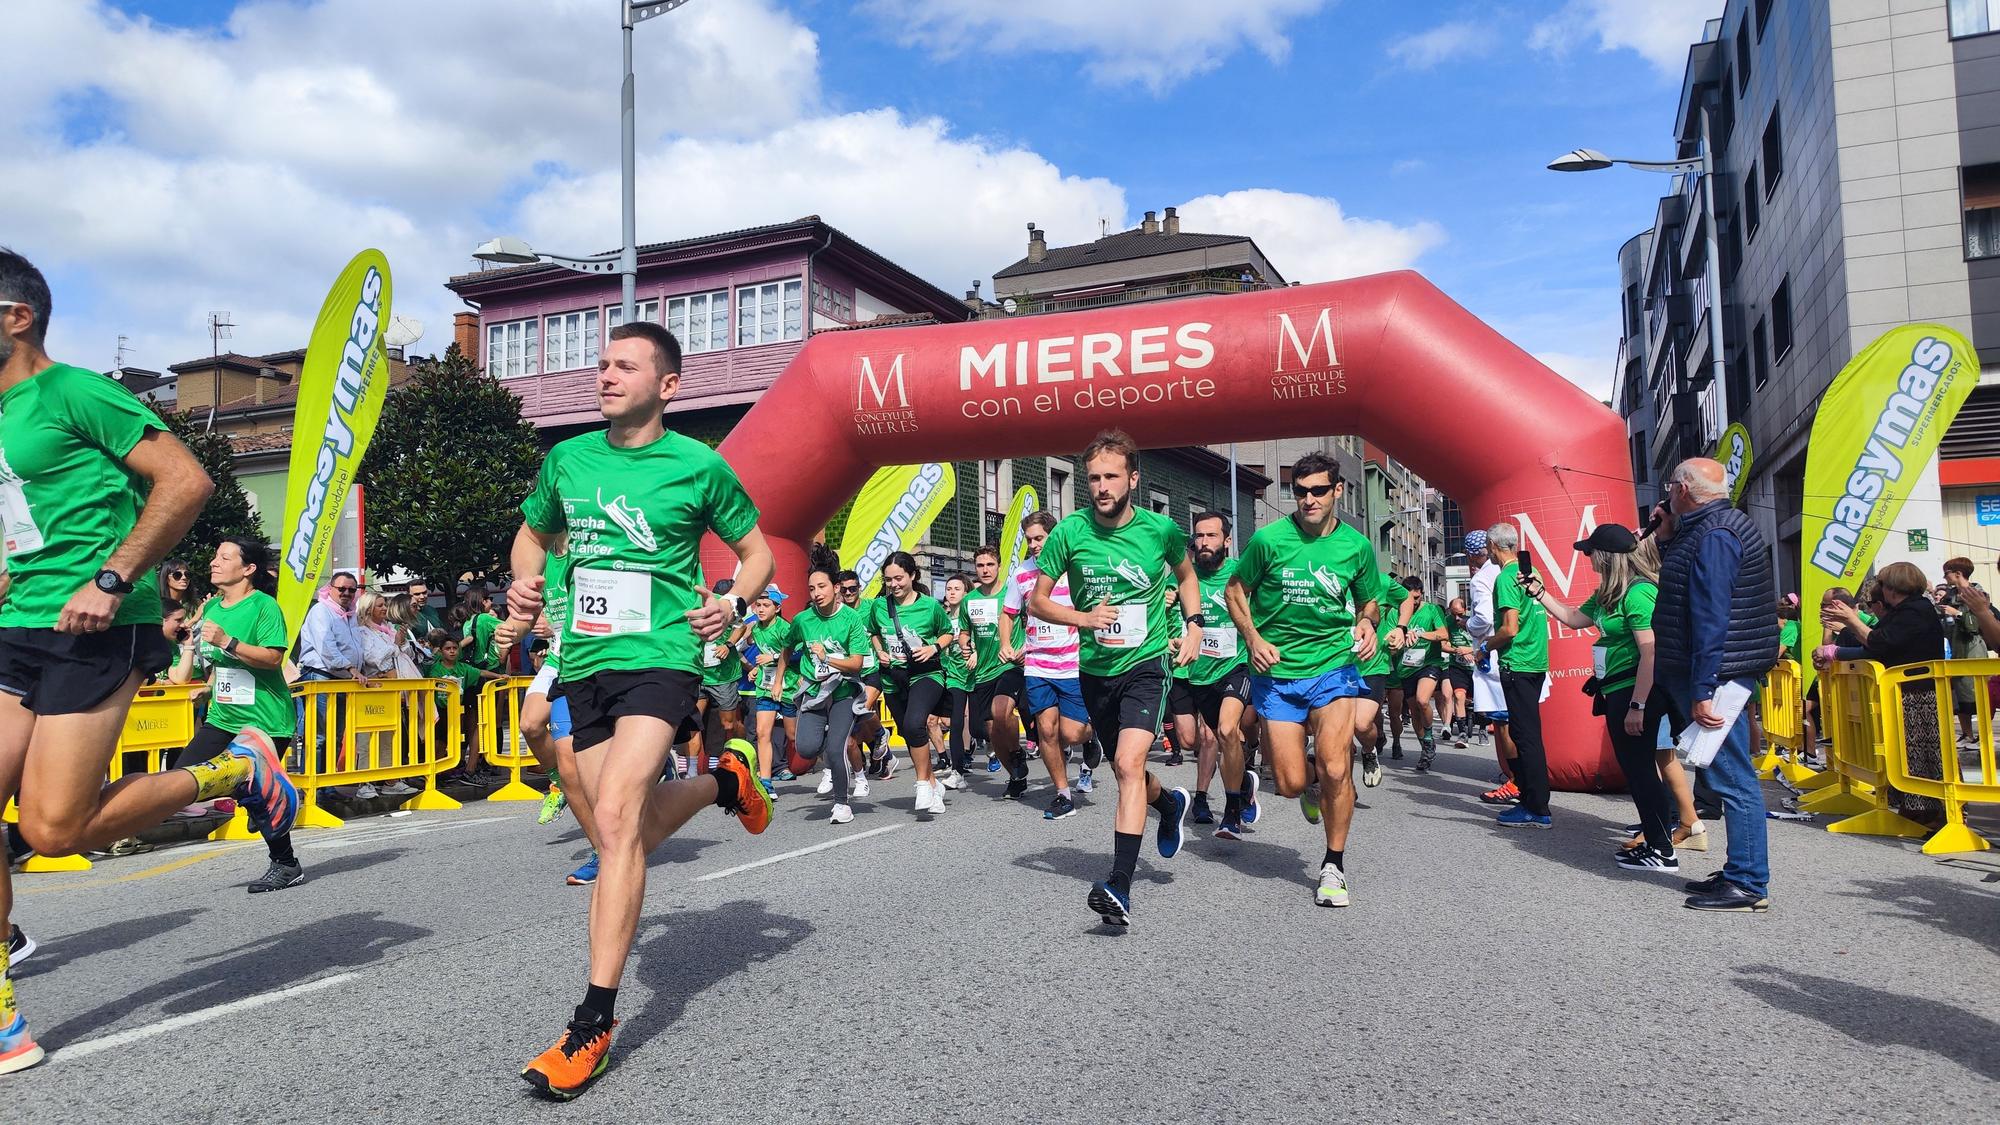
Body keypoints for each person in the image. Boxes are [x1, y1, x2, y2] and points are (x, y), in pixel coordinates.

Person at [0, 247, 295, 1074]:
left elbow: (186, 480)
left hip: (99, 624)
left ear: (16, 316)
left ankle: (237, 771)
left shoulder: (74, 391)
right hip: (19, 623)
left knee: (51, 827)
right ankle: (4, 1019)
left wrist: (113, 575)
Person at [508, 320, 775, 1098]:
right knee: (617, 822)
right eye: (601, 364)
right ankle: (728, 783)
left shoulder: (699, 466)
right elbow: (532, 538)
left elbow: (756, 553)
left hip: (661, 657)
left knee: (620, 818)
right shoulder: (568, 459)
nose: (605, 375)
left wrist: (732, 601)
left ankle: (591, 1022)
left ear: (668, 385)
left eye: (624, 365)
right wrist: (527, 581)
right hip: (584, 663)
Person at [1031, 431, 1201, 925]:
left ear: (1133, 478)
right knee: (1125, 772)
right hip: (1095, 670)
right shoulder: (1069, 533)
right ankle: (1168, 804)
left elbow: (1186, 577)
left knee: (1128, 762)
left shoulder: (1161, 531)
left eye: (1111, 476)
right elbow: (1037, 601)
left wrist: (1193, 626)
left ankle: (1119, 886)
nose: (1102, 486)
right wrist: (1083, 618)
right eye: (1093, 478)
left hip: (1147, 664)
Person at [1227, 452, 1381, 908]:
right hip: (1278, 673)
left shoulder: (1356, 546)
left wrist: (1368, 622)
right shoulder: (1269, 540)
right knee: (1292, 782)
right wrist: (1253, 638)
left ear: (1337, 491)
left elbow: (1369, 600)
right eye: (1300, 491)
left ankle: (1334, 865)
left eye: (1318, 490)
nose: (1309, 499)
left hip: (1334, 666)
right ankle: (1310, 786)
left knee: (1338, 765)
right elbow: (1236, 591)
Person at [1526, 525, 1700, 871]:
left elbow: (1650, 652)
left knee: (1642, 771)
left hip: (1636, 691)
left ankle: (1662, 849)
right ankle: (1655, 840)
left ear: (1605, 556)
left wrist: (1638, 704)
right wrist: (1539, 593)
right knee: (1638, 771)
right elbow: (1574, 618)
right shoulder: (1609, 594)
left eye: (1590, 552)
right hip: (1617, 689)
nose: (1587, 558)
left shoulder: (1637, 593)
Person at [1654, 457, 1778, 912]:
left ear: (1684, 489)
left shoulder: (1716, 534)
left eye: (1670, 486)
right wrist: (1667, 538)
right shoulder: (1709, 529)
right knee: (1727, 774)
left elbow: (1710, 617)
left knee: (1732, 778)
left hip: (1716, 674)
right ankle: (1740, 871)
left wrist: (1703, 688)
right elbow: (1690, 591)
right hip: (1714, 670)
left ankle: (1747, 882)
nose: (1666, 494)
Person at [166, 537, 308, 892]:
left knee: (258, 794)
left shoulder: (263, 607)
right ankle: (259, 795)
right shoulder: (213, 608)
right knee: (183, 778)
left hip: (265, 721)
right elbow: (220, 666)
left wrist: (228, 642)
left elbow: (273, 658)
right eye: (215, 555)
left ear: (248, 569)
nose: (214, 562)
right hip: (224, 717)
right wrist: (210, 687)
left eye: (224, 557)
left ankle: (285, 863)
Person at [1817, 561, 1949, 830]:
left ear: (1893, 587)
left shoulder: (1916, 611)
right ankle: (1916, 807)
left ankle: (1936, 810)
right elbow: (1875, 643)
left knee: (1924, 751)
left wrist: (1851, 621)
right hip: (1904, 690)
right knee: (1909, 752)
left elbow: (1879, 643)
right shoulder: (1904, 611)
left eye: (1884, 585)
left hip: (1919, 692)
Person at [1003, 512, 1097, 820]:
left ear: (1053, 537)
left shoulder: (1074, 569)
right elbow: (1008, 613)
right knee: (1046, 729)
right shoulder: (1022, 574)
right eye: (1029, 539)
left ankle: (1091, 736)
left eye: (1039, 538)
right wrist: (1006, 643)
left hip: (1073, 664)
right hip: (1038, 664)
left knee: (1072, 733)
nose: (1033, 545)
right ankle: (1063, 794)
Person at [1167, 512, 1257, 837]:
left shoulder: (1242, 574)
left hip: (1236, 665)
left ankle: (1232, 812)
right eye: (1199, 536)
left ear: (1227, 541)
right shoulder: (1184, 577)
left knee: (1226, 729)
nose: (1203, 542)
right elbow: (1159, 613)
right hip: (1196, 672)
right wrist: (1167, 619)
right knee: (1196, 740)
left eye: (1212, 536)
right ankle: (1244, 782)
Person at [870, 551, 958, 815]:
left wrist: (933, 648)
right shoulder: (879, 606)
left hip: (925, 674)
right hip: (894, 678)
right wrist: (879, 651)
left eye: (899, 578)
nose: (894, 584)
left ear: (912, 576)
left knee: (913, 723)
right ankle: (933, 785)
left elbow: (948, 633)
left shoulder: (930, 606)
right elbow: (874, 631)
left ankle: (921, 784)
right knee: (910, 733)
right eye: (888, 580)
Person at [792, 547, 871, 824]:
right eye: (812, 588)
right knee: (805, 749)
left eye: (822, 586)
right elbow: (788, 648)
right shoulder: (803, 619)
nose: (816, 593)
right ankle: (831, 741)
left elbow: (857, 664)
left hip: (843, 693)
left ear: (836, 587)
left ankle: (841, 804)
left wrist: (829, 659)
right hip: (814, 693)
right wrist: (781, 679)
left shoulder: (851, 619)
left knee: (836, 749)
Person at [1487, 522, 1553, 829]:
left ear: (1494, 546)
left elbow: (1509, 628)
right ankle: (1534, 801)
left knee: (1525, 737)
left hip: (1518, 662)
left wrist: (1486, 645)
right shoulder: (1532, 572)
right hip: (1536, 661)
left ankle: (1535, 806)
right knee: (1528, 734)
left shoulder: (1505, 577)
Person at [965, 546, 1027, 793]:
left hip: (1010, 666)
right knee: (992, 732)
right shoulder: (970, 600)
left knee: (1002, 713)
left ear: (999, 565)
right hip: (983, 672)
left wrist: (1022, 648)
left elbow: (1029, 620)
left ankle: (1017, 753)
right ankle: (1016, 775)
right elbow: (963, 632)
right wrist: (965, 646)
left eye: (990, 564)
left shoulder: (1012, 593)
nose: (985, 570)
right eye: (980, 565)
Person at [1462, 530, 1518, 801]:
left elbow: (1483, 618)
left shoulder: (1482, 577)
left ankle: (1514, 781)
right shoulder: (1513, 572)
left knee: (1503, 722)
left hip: (1492, 654)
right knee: (1518, 721)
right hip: (1519, 652)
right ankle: (1522, 780)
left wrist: (1467, 624)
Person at [296, 571, 364, 772]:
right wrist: (351, 668)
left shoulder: (350, 615)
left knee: (335, 735)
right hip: (322, 676)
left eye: (352, 590)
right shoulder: (321, 611)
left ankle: (327, 786)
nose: (346, 593)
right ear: (330, 589)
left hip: (342, 679)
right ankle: (311, 786)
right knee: (318, 735)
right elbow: (327, 647)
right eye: (341, 589)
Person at [1393, 577, 1451, 771]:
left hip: (1428, 663)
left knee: (1422, 700)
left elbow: (1443, 635)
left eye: (1417, 598)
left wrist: (1420, 634)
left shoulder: (1432, 610)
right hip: (1405, 667)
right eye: (1411, 598)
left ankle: (1428, 735)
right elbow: (1390, 642)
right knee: (1414, 710)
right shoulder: (1396, 613)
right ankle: (1425, 748)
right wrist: (1400, 637)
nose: (1415, 602)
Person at [748, 586, 802, 791]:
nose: (761, 609)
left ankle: (826, 741)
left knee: (793, 736)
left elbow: (798, 654)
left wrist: (772, 658)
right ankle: (766, 782)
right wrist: (756, 668)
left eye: (766, 605)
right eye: (758, 605)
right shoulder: (755, 628)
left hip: (787, 686)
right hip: (765, 686)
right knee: (762, 733)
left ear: (777, 608)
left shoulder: (784, 628)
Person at [1937, 558, 1987, 749]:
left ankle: (1983, 734)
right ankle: (1967, 734)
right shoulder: (1950, 596)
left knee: (1977, 693)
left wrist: (1956, 614)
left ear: (1958, 573)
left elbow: (1976, 624)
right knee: (1959, 693)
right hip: (1955, 649)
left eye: (1947, 573)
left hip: (1972, 650)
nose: (1945, 577)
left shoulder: (1978, 594)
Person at [937, 574, 979, 778]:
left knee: (979, 726)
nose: (952, 592)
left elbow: (986, 637)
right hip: (953, 675)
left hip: (975, 673)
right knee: (955, 722)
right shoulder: (943, 619)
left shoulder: (972, 615)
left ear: (966, 593)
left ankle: (987, 745)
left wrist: (977, 653)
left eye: (957, 589)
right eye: (948, 589)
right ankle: (957, 769)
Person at [1442, 598, 1476, 749]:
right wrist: (1458, 650)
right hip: (1457, 665)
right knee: (1458, 696)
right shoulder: (1447, 621)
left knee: (1480, 700)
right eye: (1453, 614)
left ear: (1466, 609)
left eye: (1460, 615)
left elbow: (1488, 641)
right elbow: (1443, 644)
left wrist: (1470, 650)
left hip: (1477, 665)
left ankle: (1482, 728)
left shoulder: (1475, 619)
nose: (1457, 618)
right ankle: (1462, 733)